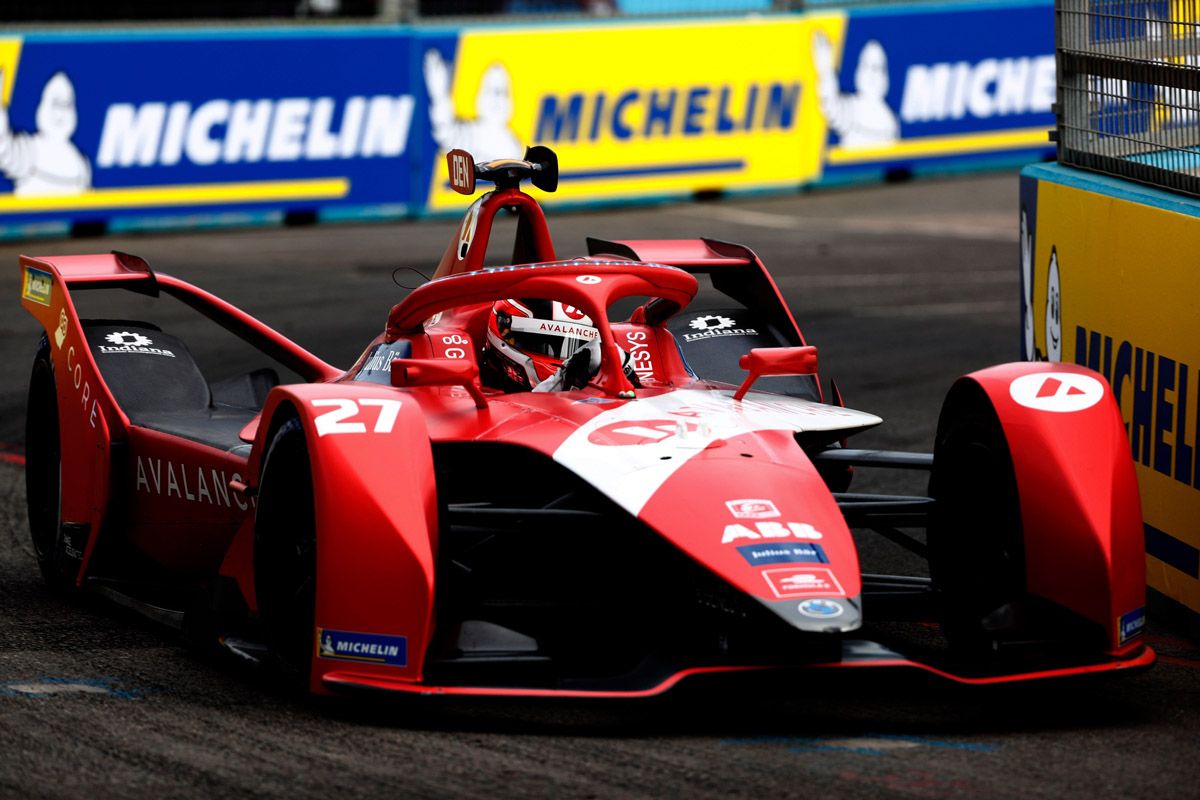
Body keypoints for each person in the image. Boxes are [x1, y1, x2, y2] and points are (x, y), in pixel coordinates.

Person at [481, 298, 639, 392]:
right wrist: (562, 380)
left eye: (579, 346)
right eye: (541, 343)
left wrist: (626, 384)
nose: (568, 360)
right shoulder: (469, 398)